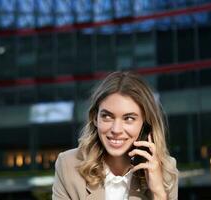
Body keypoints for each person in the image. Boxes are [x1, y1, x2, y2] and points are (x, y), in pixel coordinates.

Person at [52, 71, 179, 200]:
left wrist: (159, 193)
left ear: (146, 124)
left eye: (129, 118)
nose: (116, 130)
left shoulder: (166, 170)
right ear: (95, 118)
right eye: (107, 116)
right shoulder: (68, 164)